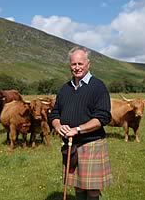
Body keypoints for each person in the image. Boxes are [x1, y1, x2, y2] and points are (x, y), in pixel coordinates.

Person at [48, 46, 112, 200]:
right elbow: (54, 114)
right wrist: (58, 126)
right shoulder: (65, 89)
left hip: (92, 145)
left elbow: (102, 117)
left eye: (80, 64)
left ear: (88, 64)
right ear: (70, 65)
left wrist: (77, 129)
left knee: (92, 190)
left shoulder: (98, 86)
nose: (77, 68)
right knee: (77, 187)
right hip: (70, 145)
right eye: (73, 64)